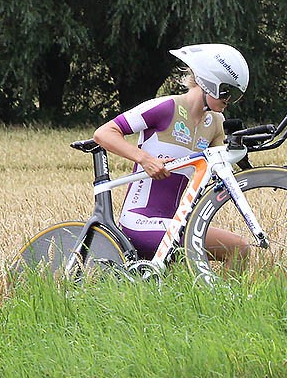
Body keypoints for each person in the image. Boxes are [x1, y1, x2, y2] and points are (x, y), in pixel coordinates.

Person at [93, 43, 251, 269]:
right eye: (228, 92)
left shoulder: (215, 123)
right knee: (236, 249)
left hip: (174, 221)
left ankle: (222, 304)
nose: (230, 100)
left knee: (238, 251)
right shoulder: (166, 107)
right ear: (209, 82)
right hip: (140, 222)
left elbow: (221, 171)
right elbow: (103, 133)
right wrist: (145, 160)